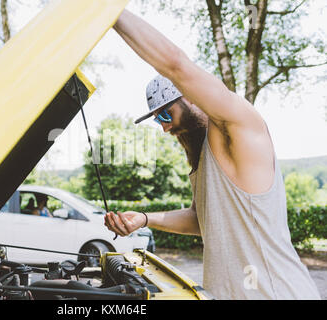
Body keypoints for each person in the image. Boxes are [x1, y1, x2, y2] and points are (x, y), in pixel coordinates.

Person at [104, 9, 320, 300]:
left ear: (192, 97)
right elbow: (201, 219)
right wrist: (144, 219)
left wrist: (106, 11)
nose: (165, 127)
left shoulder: (238, 124)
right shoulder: (201, 155)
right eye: (157, 119)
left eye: (166, 113)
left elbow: (176, 65)